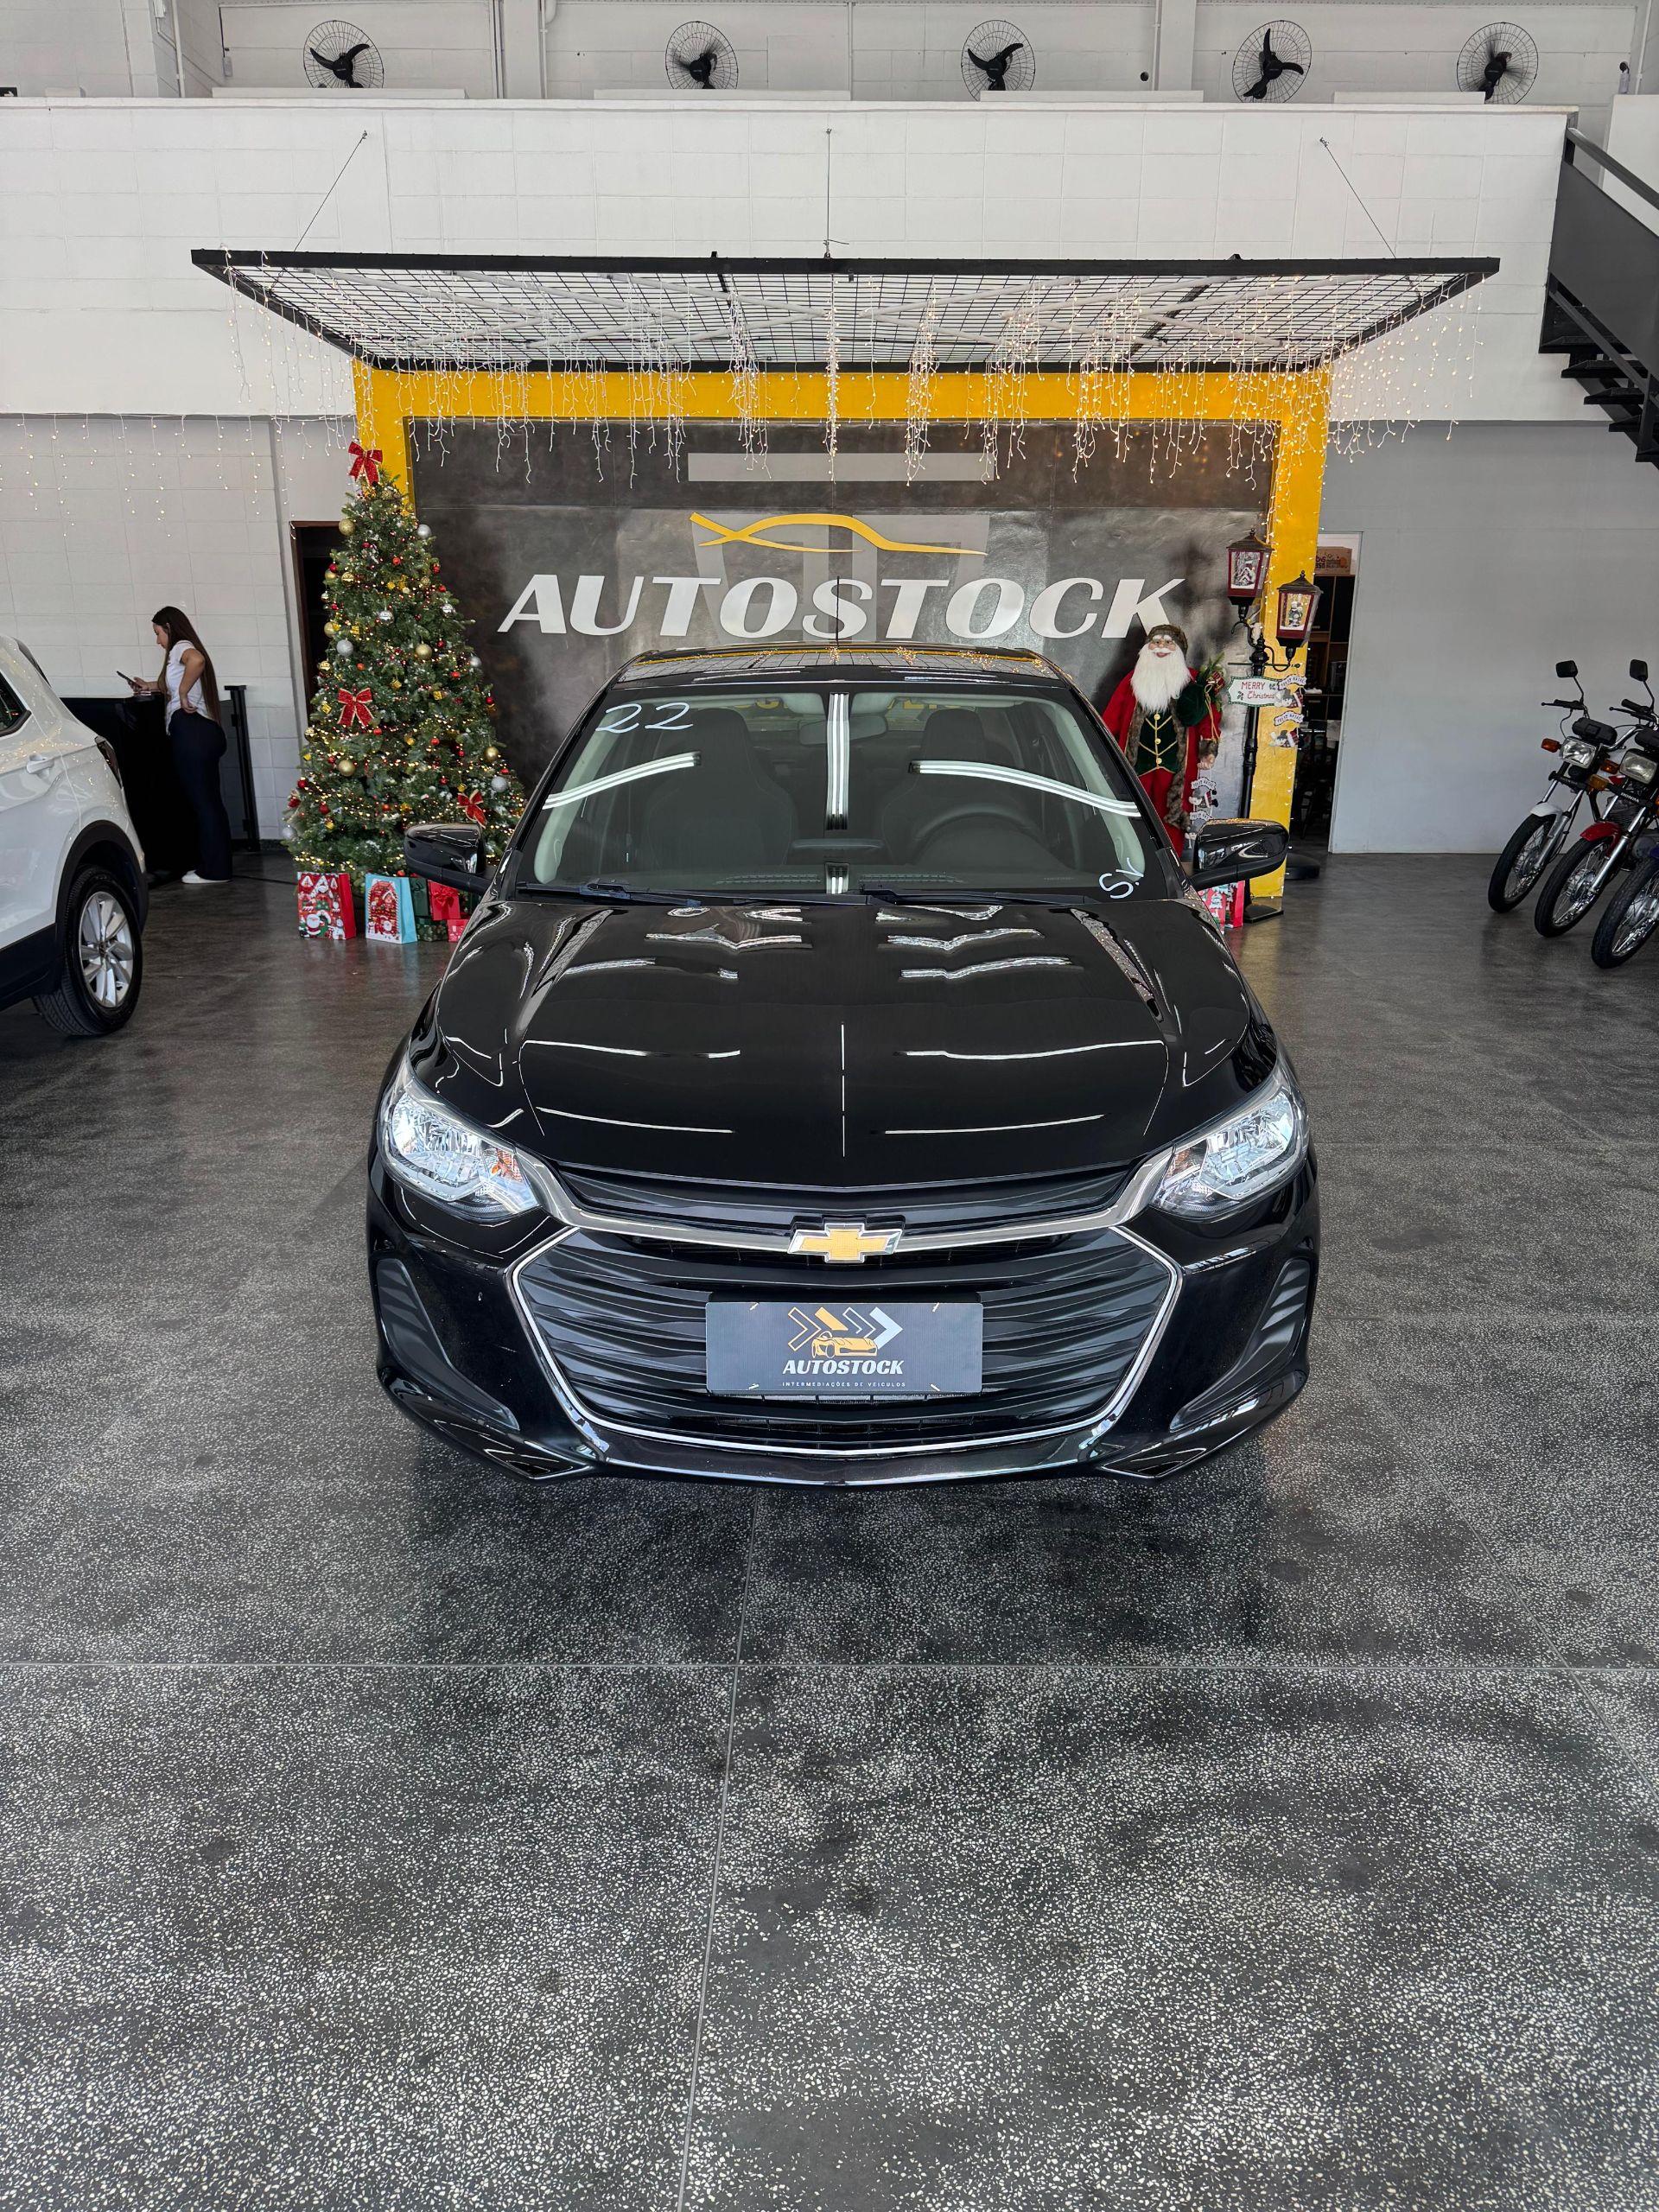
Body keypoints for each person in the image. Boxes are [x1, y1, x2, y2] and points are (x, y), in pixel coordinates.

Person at [128, 607, 232, 885]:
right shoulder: (180, 652)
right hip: (205, 732)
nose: (157, 641)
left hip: (192, 730)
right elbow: (171, 684)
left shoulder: (181, 647)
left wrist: (183, 693)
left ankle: (214, 871)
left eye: (158, 633)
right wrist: (149, 686)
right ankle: (216, 866)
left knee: (203, 803)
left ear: (169, 628)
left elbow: (197, 661)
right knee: (209, 802)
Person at [1101, 620, 1221, 858]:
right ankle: (1134, 859)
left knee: (1172, 816)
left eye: (1168, 643)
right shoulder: (1133, 680)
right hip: (1137, 764)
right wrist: (1103, 748)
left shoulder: (1192, 681)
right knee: (1134, 814)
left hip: (1176, 767)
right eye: (1155, 642)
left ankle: (1170, 862)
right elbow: (1111, 717)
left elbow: (1210, 717)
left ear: (1180, 650)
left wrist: (1208, 749)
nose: (1161, 647)